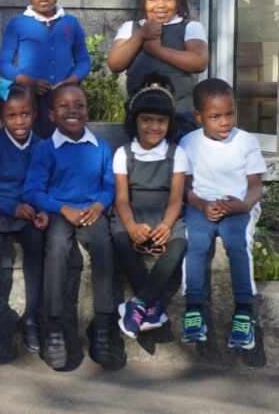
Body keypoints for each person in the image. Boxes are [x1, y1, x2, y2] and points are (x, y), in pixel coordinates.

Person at [23, 83, 117, 370]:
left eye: (79, 104)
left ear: (88, 112)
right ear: (51, 114)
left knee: (103, 245)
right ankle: (53, 327)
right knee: (58, 248)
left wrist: (100, 205)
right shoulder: (46, 148)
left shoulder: (100, 147)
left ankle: (101, 325)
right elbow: (33, 191)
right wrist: (62, 209)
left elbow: (109, 185)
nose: (72, 110)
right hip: (59, 212)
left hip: (91, 212)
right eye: (64, 105)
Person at [179, 78, 266, 349]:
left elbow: (255, 187)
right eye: (215, 116)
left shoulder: (246, 141)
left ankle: (244, 311)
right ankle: (193, 309)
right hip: (202, 205)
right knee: (195, 244)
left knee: (237, 244)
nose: (224, 122)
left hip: (238, 205)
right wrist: (202, 205)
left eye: (229, 113)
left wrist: (242, 205)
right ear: (199, 116)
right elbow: (186, 189)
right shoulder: (188, 143)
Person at [111, 75, 187, 339]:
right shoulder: (123, 153)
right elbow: (121, 199)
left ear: (170, 123)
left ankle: (139, 303)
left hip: (165, 212)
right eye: (147, 120)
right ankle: (152, 309)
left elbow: (177, 198)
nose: (154, 127)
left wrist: (166, 225)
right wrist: (131, 227)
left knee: (177, 245)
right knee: (121, 240)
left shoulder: (177, 153)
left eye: (161, 121)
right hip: (133, 211)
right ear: (135, 121)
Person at [0, 83, 47, 357]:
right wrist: (12, 207)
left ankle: (30, 317)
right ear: (1, 116)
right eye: (12, 116)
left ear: (35, 113)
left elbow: (45, 184)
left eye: (25, 114)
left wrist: (40, 210)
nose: (19, 122)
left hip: (27, 211)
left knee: (36, 242)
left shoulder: (41, 146)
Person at [107, 0, 208, 138]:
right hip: (142, 115)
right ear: (143, 1)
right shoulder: (131, 28)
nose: (160, 5)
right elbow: (115, 64)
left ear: (179, 0)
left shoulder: (190, 27)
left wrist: (157, 50)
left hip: (180, 114)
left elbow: (199, 62)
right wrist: (140, 35)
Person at [0, 0, 90, 138]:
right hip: (31, 99)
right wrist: (28, 82)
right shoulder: (18, 23)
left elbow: (83, 60)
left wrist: (71, 80)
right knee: (36, 144)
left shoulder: (71, 23)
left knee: (65, 143)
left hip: (65, 100)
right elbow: (3, 64)